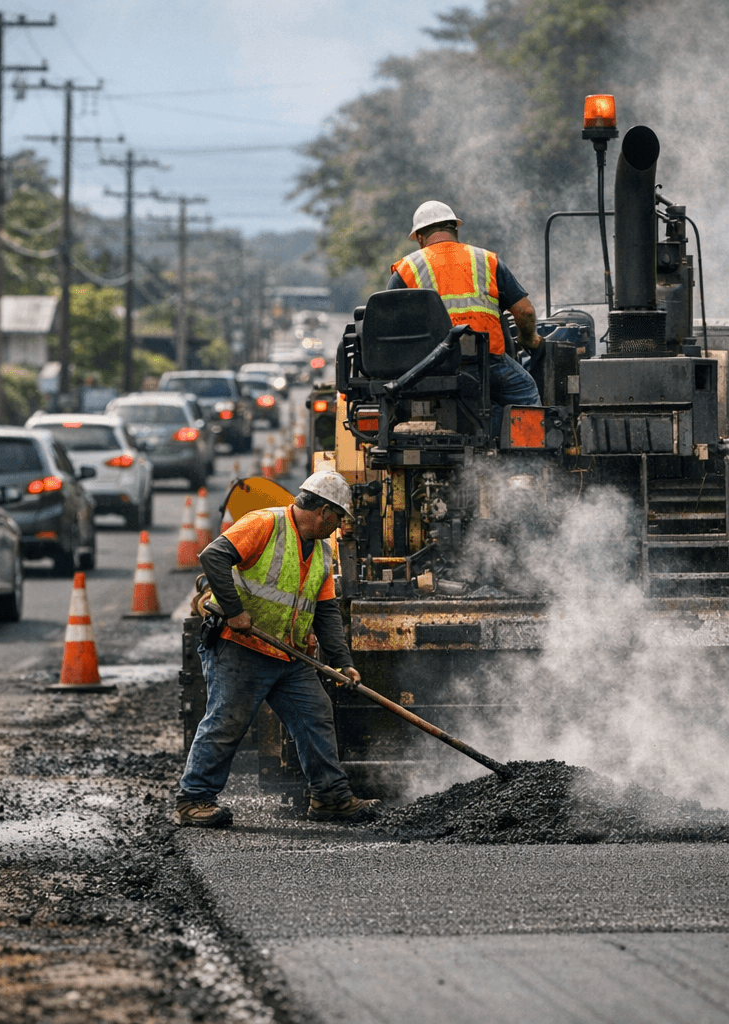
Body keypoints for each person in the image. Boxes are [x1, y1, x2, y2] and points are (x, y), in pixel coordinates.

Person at [176, 470, 382, 827]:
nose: (338, 527)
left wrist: (342, 661)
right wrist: (236, 612)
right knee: (227, 720)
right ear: (324, 512)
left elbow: (326, 611)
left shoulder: (321, 550)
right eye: (339, 519)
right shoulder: (264, 524)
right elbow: (213, 557)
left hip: (289, 654)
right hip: (240, 646)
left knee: (315, 718)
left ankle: (330, 797)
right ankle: (194, 800)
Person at [388, 200, 539, 437]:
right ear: (456, 230)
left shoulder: (406, 269)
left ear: (419, 237)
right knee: (524, 391)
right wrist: (529, 338)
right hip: (486, 363)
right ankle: (526, 458)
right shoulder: (487, 260)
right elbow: (525, 312)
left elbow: (392, 327)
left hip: (429, 370)